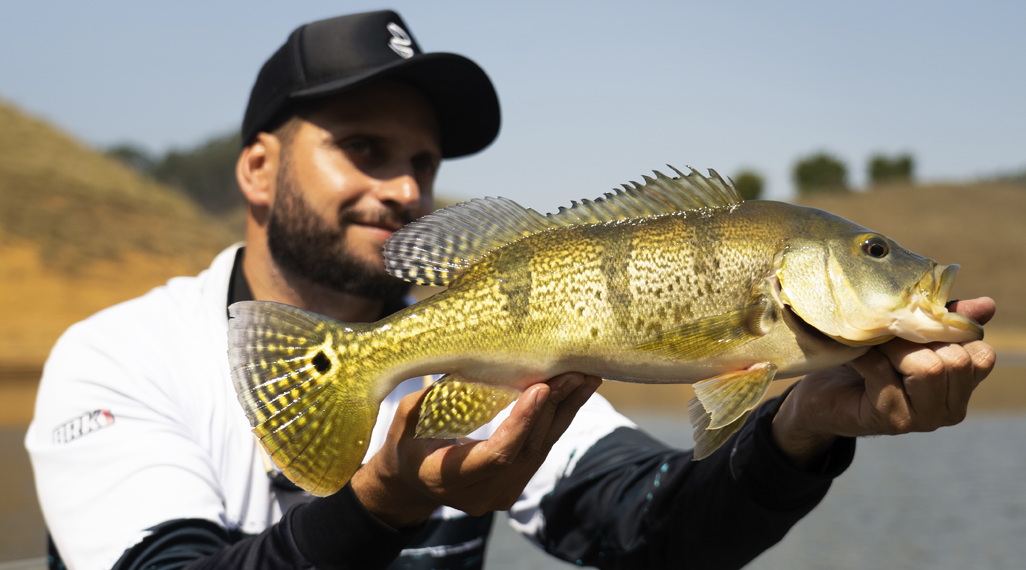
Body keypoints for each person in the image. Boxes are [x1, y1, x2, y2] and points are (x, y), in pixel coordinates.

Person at [26, 10, 996, 570]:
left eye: (424, 159)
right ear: (255, 167)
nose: (406, 187)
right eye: (362, 148)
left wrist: (798, 432)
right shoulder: (120, 358)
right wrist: (380, 509)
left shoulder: (498, 354)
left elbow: (653, 535)